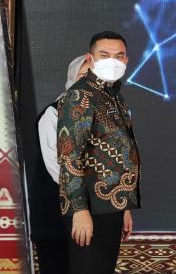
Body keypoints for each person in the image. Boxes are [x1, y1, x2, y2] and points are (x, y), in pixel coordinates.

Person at [57, 31, 141, 274]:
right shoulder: (79, 95)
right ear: (90, 58)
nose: (112, 61)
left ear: (126, 60)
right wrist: (79, 210)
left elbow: (121, 154)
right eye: (104, 55)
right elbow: (69, 155)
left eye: (119, 56)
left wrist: (124, 206)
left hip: (111, 206)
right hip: (89, 206)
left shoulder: (115, 97)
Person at [29, 56, 89, 274]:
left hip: (89, 215)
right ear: (72, 77)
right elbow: (58, 169)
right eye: (84, 76)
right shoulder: (54, 113)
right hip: (55, 217)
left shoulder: (104, 115)